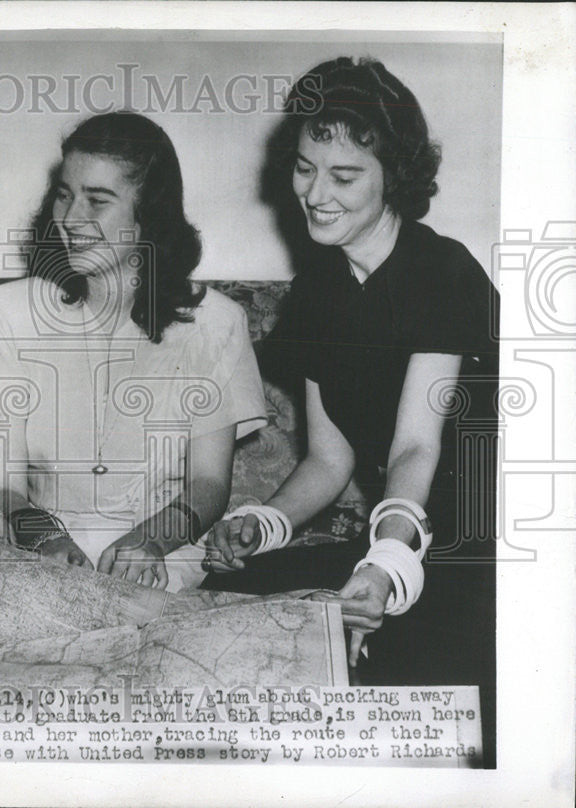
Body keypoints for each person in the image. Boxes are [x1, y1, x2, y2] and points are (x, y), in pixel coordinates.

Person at [203, 57, 498, 760]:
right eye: (305, 168)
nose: (315, 194)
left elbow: (415, 449)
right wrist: (263, 522)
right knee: (228, 597)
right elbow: (329, 459)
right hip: (398, 534)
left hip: (490, 550)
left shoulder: (444, 273)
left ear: (393, 177)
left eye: (344, 176)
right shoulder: (318, 292)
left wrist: (389, 564)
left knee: (410, 677)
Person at [0, 112, 268, 592]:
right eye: (64, 195)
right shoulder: (7, 312)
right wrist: (43, 538)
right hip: (36, 551)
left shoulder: (216, 323)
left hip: (165, 551)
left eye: (98, 201)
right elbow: (1, 486)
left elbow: (208, 487)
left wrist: (149, 542)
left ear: (149, 212)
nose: (69, 220)